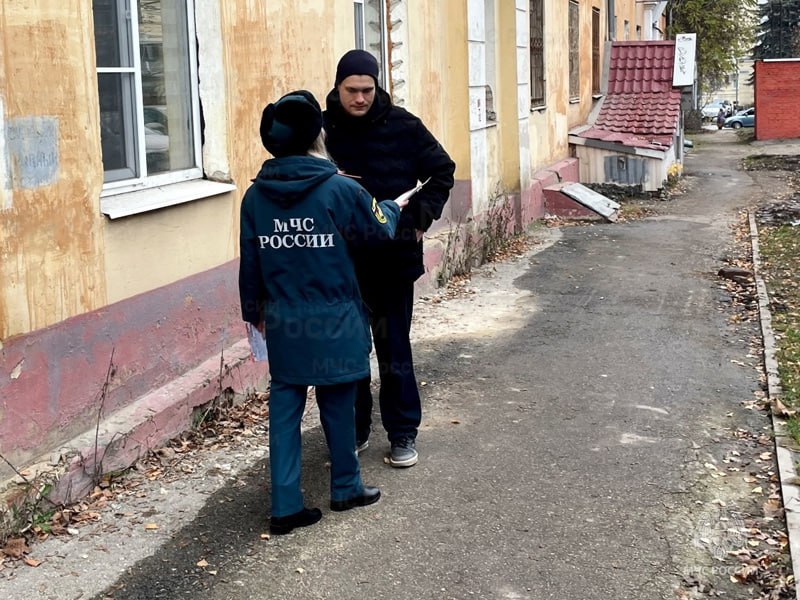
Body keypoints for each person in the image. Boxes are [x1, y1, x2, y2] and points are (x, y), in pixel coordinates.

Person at [238, 90, 409, 534]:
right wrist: (393, 206)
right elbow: (380, 229)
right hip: (335, 318)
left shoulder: (254, 198)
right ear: (318, 136)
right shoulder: (342, 189)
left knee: (284, 410)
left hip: (284, 321)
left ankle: (285, 507)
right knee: (338, 401)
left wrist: (253, 312)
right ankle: (346, 487)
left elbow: (250, 262)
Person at [323, 50, 456, 468]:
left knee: (394, 347)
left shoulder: (404, 125)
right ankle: (355, 430)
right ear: (338, 87)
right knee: (348, 351)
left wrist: (418, 219)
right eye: (352, 90)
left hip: (393, 260)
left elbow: (442, 171)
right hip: (340, 262)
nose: (360, 98)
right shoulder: (323, 131)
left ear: (377, 86)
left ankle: (402, 433)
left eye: (367, 89)